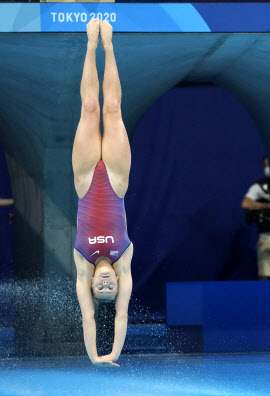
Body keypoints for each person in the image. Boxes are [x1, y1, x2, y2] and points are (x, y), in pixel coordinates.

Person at [73, 19, 133, 367]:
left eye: (102, 289)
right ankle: (108, 46)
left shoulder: (83, 264)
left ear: (93, 284)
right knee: (111, 108)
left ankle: (88, 46)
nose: (108, 285)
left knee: (89, 109)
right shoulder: (123, 261)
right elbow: (121, 317)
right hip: (115, 179)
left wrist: (94, 356)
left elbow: (88, 318)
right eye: (112, 289)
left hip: (84, 182)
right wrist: (113, 353)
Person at [241, 156, 270, 280]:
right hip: (267, 237)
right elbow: (245, 203)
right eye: (265, 166)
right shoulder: (260, 186)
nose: (267, 168)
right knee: (265, 276)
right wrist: (267, 206)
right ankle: (266, 298)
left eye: (269, 164)